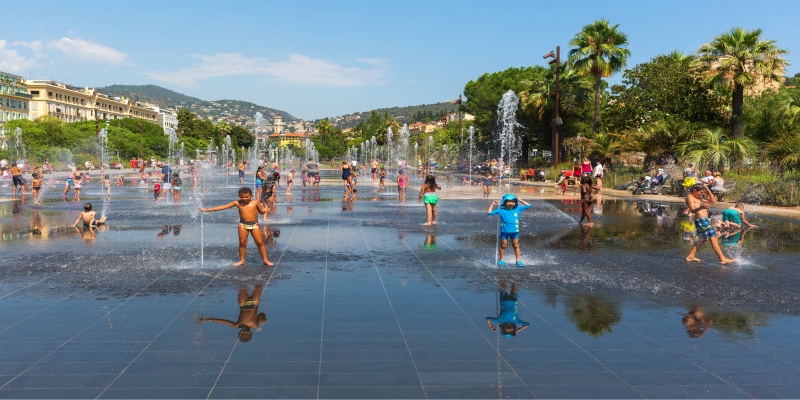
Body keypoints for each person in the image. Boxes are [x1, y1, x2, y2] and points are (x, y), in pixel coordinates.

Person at [199, 187, 274, 266]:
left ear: (251, 196)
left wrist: (265, 210)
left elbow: (261, 211)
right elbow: (222, 207)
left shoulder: (255, 202)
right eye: (242, 197)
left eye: (246, 197)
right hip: (243, 225)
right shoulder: (237, 203)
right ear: (239, 196)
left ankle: (265, 260)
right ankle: (242, 260)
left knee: (259, 243)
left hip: (254, 225)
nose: (244, 199)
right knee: (242, 243)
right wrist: (206, 209)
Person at [198, 284, 268, 342]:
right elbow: (261, 314)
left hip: (243, 304)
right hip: (254, 304)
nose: (244, 332)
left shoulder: (237, 325)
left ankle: (242, 269)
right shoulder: (255, 325)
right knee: (259, 286)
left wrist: (206, 320)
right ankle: (265, 268)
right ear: (251, 333)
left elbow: (222, 321)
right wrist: (263, 318)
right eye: (246, 334)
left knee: (242, 286)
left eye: (242, 333)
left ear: (239, 332)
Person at [685, 184, 735, 264]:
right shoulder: (690, 197)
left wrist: (707, 189)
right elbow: (692, 210)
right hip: (701, 221)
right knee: (713, 238)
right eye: (700, 192)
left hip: (704, 220)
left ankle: (691, 256)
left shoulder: (698, 198)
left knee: (703, 239)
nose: (701, 194)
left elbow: (713, 201)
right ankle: (722, 258)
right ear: (694, 190)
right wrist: (701, 207)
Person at [487, 193, 532, 267]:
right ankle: (501, 260)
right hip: (504, 232)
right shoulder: (501, 210)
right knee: (503, 245)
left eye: (513, 202)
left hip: (515, 232)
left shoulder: (518, 209)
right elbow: (489, 213)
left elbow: (529, 205)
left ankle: (518, 260)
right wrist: (492, 205)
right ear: (505, 202)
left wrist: (520, 200)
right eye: (509, 202)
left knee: (516, 246)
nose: (511, 203)